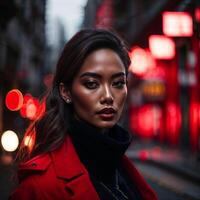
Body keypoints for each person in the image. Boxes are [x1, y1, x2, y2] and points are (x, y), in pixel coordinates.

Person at [9, 28, 157, 200]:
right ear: (66, 92)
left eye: (117, 83)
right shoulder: (40, 187)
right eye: (92, 84)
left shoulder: (123, 170)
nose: (108, 96)